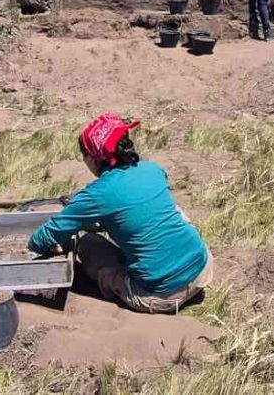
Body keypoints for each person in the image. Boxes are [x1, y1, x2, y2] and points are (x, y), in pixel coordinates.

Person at [28, 113, 212, 314]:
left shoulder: (97, 194)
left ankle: (119, 282)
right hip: (202, 269)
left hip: (161, 295)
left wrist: (73, 227)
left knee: (89, 244)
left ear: (93, 158)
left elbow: (41, 239)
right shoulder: (153, 169)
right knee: (172, 211)